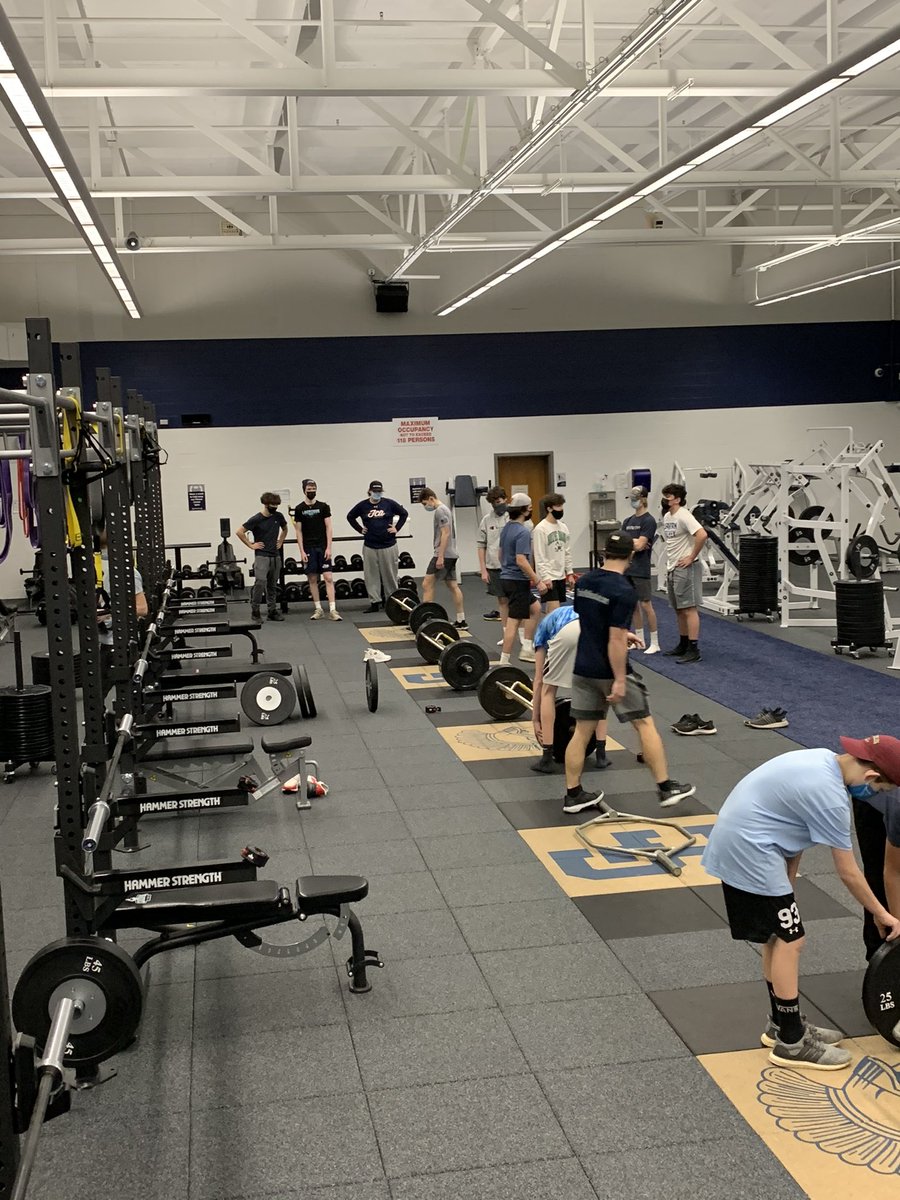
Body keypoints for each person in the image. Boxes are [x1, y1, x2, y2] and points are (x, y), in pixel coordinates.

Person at [701, 734, 900, 1070]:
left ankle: (782, 1024)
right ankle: (792, 1043)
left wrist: (786, 887)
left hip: (751, 844)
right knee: (791, 940)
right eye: (880, 790)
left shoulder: (823, 761)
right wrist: (883, 914)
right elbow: (850, 873)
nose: (874, 797)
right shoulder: (831, 797)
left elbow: (792, 828)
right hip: (750, 850)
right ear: (870, 777)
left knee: (778, 936)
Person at [563, 532, 695, 814]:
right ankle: (665, 787)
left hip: (583, 667)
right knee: (644, 724)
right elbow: (612, 639)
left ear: (604, 552)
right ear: (631, 556)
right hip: (610, 669)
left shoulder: (585, 580)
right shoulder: (624, 590)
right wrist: (620, 679)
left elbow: (590, 621)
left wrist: (624, 636)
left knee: (582, 731)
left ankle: (573, 794)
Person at [530, 605, 611, 774]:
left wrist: (535, 719)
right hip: (595, 629)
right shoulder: (565, 612)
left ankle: (547, 757)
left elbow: (538, 681)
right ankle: (601, 755)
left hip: (568, 632)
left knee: (548, 688)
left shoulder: (541, 632)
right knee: (598, 689)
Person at [849, 739, 900, 961]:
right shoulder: (897, 808)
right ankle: (880, 957)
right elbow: (892, 872)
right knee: (876, 875)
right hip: (872, 796)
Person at [660, 483, 707, 663]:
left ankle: (694, 649)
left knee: (689, 608)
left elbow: (702, 535)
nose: (664, 500)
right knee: (679, 609)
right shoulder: (667, 516)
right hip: (673, 567)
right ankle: (683, 644)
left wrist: (691, 556)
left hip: (686, 567)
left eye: (668, 497)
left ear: (677, 499)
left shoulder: (684, 515)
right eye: (664, 496)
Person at [346, 481, 408, 613]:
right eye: (375, 491)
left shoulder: (389, 504)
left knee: (390, 575)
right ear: (369, 491)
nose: (377, 494)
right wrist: (359, 529)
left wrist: (396, 528)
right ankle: (375, 602)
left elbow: (404, 514)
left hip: (388, 545)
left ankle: (392, 602)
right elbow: (350, 516)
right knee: (371, 576)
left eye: (379, 492)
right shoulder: (363, 506)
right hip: (370, 546)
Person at [498, 492, 543, 665]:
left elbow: (501, 554)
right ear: (524, 510)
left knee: (535, 609)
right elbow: (521, 560)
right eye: (530, 507)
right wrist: (537, 580)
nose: (531, 510)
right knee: (513, 622)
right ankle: (504, 661)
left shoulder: (506, 529)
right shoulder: (523, 532)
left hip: (507, 579)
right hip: (517, 581)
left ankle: (527, 647)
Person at [293, 479, 341, 621]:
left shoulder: (323, 507)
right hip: (308, 548)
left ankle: (333, 610)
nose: (311, 490)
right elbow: (299, 531)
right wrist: (301, 551)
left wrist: (329, 547)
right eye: (309, 488)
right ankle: (318, 609)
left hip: (323, 547)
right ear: (304, 490)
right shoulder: (299, 509)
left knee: (328, 577)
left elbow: (329, 527)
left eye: (314, 488)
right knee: (312, 578)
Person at [418, 488, 466, 628]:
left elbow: (445, 534)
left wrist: (440, 557)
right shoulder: (445, 509)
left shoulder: (440, 510)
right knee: (453, 586)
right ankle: (461, 620)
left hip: (444, 554)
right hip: (450, 553)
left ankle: (426, 619)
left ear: (431, 498)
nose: (426, 506)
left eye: (425, 503)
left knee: (427, 584)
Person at [236, 492, 287, 622]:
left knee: (272, 585)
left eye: (276, 505)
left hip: (275, 556)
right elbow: (239, 532)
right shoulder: (257, 519)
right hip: (262, 556)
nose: (275, 507)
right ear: (265, 504)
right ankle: (255, 611)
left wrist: (280, 541)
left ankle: (272, 611)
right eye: (272, 505)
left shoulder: (278, 516)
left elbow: (285, 529)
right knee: (260, 583)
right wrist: (251, 545)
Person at [621, 485, 659, 654]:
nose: (633, 501)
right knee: (632, 605)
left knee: (646, 604)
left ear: (643, 498)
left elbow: (641, 544)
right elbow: (624, 544)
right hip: (627, 568)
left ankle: (655, 642)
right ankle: (640, 639)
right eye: (631, 498)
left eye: (636, 497)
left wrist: (633, 545)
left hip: (641, 569)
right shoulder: (627, 521)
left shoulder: (648, 521)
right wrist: (633, 545)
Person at [532, 494, 575, 614]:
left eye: (562, 506)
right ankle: (550, 632)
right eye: (558, 506)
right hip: (549, 576)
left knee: (555, 611)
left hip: (560, 575)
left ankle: (549, 631)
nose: (561, 509)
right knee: (554, 610)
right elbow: (539, 556)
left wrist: (570, 573)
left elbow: (567, 551)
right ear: (549, 508)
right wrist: (545, 578)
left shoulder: (563, 527)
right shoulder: (540, 529)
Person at [477, 485, 508, 624]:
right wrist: (483, 570)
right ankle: (506, 632)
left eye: (500, 502)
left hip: (512, 566)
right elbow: (481, 545)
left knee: (516, 601)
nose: (498, 506)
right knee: (502, 601)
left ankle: (521, 635)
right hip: (494, 566)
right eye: (494, 503)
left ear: (506, 500)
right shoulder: (486, 520)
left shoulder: (513, 517)